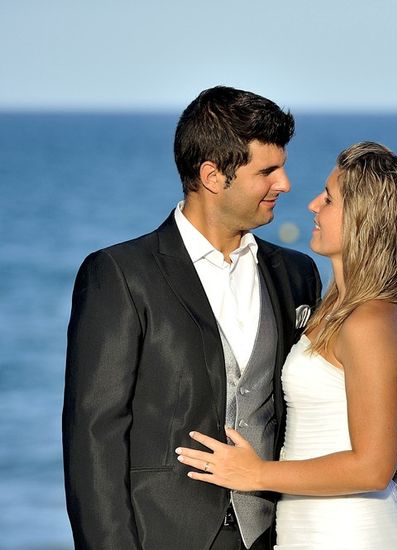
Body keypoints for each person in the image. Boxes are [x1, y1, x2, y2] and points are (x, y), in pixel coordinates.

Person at [177, 142, 397, 549]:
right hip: (310, 530)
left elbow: (373, 467)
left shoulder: (371, 319)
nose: (312, 205)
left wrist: (255, 474)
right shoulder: (337, 306)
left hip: (347, 533)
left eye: (330, 198)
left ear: (363, 219)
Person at [63, 86, 322, 550]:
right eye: (268, 170)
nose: (284, 183)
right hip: (159, 535)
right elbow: (94, 435)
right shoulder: (121, 274)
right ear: (213, 176)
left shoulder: (297, 274)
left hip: (274, 536)